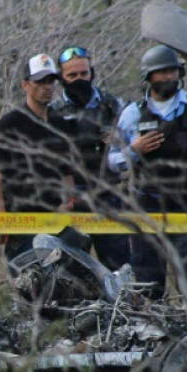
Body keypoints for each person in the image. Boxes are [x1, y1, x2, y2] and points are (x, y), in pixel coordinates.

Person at [108, 45, 187, 298]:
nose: (168, 77)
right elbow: (112, 162)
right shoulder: (133, 113)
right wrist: (134, 150)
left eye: (172, 71)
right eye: (161, 72)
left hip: (186, 209)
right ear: (148, 77)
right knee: (148, 286)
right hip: (147, 208)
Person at [48, 46, 129, 271]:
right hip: (69, 198)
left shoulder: (113, 105)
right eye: (72, 75)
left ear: (91, 72)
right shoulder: (51, 112)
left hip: (107, 195)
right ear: (61, 78)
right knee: (69, 270)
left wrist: (119, 140)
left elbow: (132, 146)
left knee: (119, 267)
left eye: (84, 74)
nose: (79, 79)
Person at [0, 53, 75, 261]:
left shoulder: (60, 124)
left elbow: (67, 172)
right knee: (29, 285)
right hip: (21, 223)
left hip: (56, 223)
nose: (47, 87)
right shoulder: (10, 124)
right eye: (40, 81)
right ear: (25, 85)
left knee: (62, 286)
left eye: (51, 81)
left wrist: (69, 202)